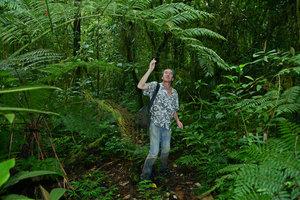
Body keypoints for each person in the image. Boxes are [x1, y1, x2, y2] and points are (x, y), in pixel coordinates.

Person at [137, 58, 183, 180]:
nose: (168, 74)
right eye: (165, 73)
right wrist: (150, 69)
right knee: (154, 152)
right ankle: (144, 177)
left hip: (167, 126)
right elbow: (140, 85)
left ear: (172, 78)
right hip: (155, 124)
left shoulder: (174, 92)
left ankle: (162, 171)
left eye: (170, 73)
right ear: (162, 77)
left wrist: (177, 120)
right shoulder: (155, 86)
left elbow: (174, 109)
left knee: (166, 151)